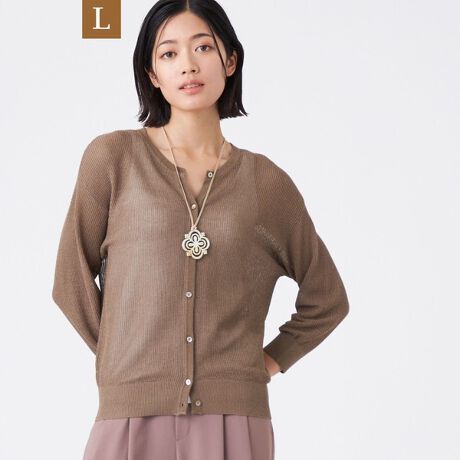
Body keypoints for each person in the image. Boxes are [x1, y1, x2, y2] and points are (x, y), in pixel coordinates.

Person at [51, 1, 350, 459]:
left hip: (235, 421)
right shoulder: (113, 160)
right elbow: (69, 281)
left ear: (230, 60)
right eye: (169, 53)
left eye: (203, 48)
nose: (188, 65)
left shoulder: (265, 183)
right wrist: (127, 365)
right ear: (152, 74)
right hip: (129, 416)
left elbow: (327, 298)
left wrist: (263, 365)